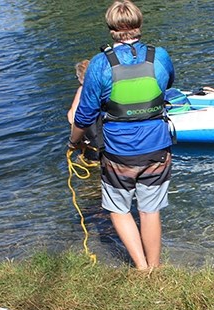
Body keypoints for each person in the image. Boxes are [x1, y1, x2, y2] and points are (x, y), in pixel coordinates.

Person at [68, 0, 175, 270]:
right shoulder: (159, 56)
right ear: (140, 24)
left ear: (110, 28)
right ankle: (155, 267)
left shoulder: (99, 64)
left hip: (119, 152)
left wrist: (74, 141)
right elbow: (168, 83)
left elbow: (84, 115)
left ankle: (141, 267)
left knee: (118, 209)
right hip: (157, 146)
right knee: (150, 210)